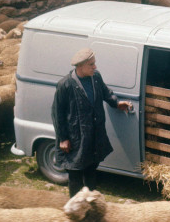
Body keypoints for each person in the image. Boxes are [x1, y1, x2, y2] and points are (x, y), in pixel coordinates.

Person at [51, 48, 133, 197]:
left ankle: (92, 204)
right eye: (91, 64)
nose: (95, 67)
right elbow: (57, 113)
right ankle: (76, 206)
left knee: (91, 169)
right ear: (80, 66)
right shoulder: (65, 85)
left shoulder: (95, 77)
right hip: (76, 138)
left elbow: (105, 92)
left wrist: (116, 103)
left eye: (94, 63)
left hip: (94, 134)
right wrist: (63, 138)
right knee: (75, 174)